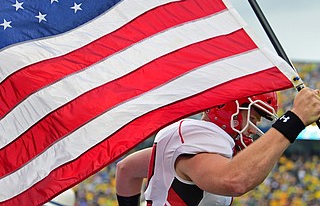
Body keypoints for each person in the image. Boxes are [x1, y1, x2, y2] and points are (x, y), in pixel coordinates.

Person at [116, 88, 320, 206]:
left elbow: (126, 169)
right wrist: (294, 120)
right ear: (229, 108)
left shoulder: (184, 144)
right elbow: (234, 181)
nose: (254, 129)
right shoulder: (202, 144)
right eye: (253, 118)